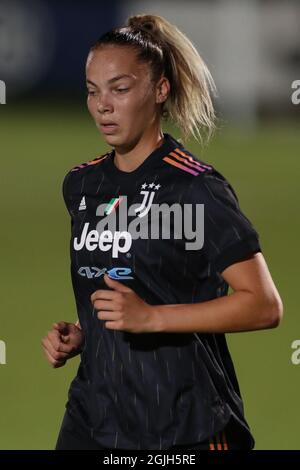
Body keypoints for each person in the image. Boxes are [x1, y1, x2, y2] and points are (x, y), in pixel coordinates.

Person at [42, 14, 283, 451]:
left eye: (120, 89)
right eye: (93, 91)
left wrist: (152, 318)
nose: (103, 106)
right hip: (93, 418)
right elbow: (128, 278)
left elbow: (264, 306)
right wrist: (86, 332)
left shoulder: (194, 187)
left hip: (182, 425)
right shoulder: (81, 185)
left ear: (160, 90)